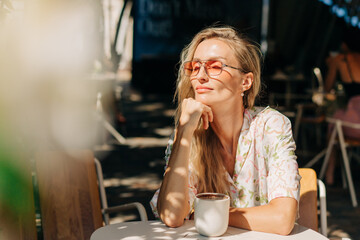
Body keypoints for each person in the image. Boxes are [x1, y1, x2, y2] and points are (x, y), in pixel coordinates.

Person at [150, 26, 300, 235]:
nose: (200, 76)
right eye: (194, 67)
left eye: (215, 66)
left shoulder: (271, 126)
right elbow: (172, 215)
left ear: (245, 82)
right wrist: (183, 133)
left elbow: (282, 220)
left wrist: (202, 212)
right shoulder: (188, 133)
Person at [323, 42, 360, 185]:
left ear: (345, 44)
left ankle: (330, 173)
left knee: (333, 125)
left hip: (353, 121)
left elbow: (327, 87)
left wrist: (330, 65)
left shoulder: (340, 59)